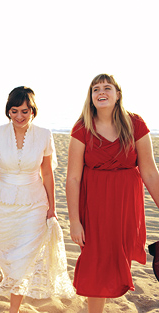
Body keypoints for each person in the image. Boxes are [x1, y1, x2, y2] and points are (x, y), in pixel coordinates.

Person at [0, 86, 75, 313]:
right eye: (14, 111)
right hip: (2, 202)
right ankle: (7, 276)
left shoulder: (45, 134)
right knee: (5, 250)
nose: (19, 116)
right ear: (8, 111)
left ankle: (13, 309)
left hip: (34, 203)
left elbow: (47, 173)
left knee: (22, 257)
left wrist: (52, 208)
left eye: (25, 111)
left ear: (33, 111)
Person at [66, 74, 159, 312]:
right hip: (93, 208)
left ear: (118, 95)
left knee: (115, 263)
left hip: (125, 208)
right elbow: (73, 178)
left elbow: (149, 172)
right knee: (95, 265)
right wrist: (75, 222)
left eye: (107, 88)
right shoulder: (82, 128)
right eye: (95, 89)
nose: (101, 92)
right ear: (91, 97)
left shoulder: (135, 124)